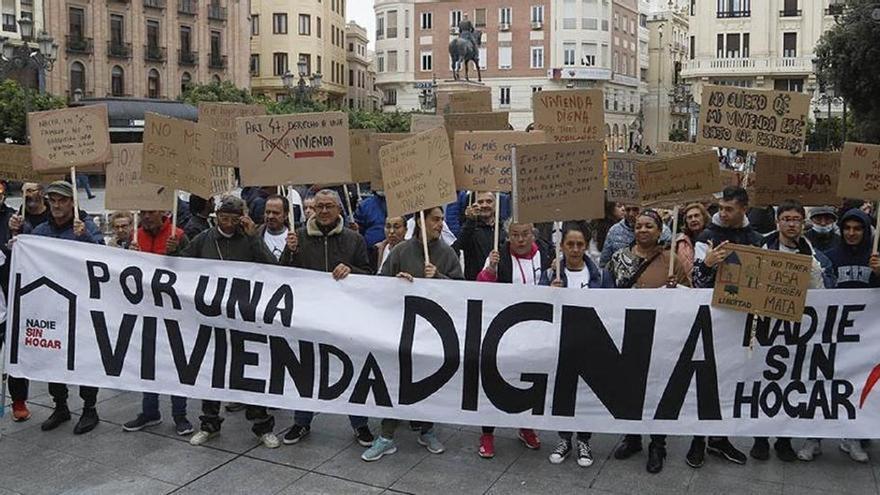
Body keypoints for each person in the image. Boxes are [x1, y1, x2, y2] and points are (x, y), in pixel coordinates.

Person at [177, 195, 281, 449]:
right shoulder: (204, 239)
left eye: (234, 219)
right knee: (212, 372)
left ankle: (262, 426)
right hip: (212, 318)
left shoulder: (249, 239)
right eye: (224, 218)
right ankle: (209, 424)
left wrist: (254, 237)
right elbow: (182, 265)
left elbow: (273, 267)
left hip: (244, 318)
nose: (228, 224)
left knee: (251, 372)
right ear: (216, 217)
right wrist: (172, 250)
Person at [362, 206, 463, 462]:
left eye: (441, 219)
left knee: (429, 383)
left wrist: (438, 276)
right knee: (399, 382)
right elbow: (381, 284)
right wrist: (397, 281)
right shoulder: (400, 251)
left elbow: (462, 290)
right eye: (436, 219)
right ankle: (386, 436)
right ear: (421, 221)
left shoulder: (447, 253)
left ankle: (427, 430)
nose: (441, 224)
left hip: (433, 332)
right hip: (403, 331)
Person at [279, 189, 374, 447]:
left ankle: (360, 424)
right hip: (309, 316)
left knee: (352, 369)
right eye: (319, 206)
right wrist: (289, 252)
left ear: (339, 209)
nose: (323, 211)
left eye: (328, 206)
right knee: (306, 370)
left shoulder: (354, 239)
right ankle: (301, 421)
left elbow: (368, 274)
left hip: (345, 318)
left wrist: (351, 270)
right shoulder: (296, 237)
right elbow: (283, 275)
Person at [752, 200, 834, 462]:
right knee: (762, 384)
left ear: (802, 223)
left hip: (796, 330)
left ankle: (784, 439)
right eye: (785, 218)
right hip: (765, 327)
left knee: (789, 385)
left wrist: (810, 268)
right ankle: (761, 439)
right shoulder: (760, 248)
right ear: (778, 222)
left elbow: (820, 294)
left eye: (795, 219)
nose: (790, 223)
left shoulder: (813, 257)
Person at [609, 210, 688, 473]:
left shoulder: (670, 260)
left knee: (657, 390)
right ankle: (633, 438)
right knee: (629, 388)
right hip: (628, 332)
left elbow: (690, 296)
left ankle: (658, 444)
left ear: (659, 230)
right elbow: (605, 292)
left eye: (649, 226)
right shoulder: (620, 258)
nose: (643, 230)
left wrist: (676, 288)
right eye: (639, 226)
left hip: (661, 336)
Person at [689, 186, 762, 468]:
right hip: (709, 319)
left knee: (730, 381)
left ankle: (720, 440)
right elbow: (697, 280)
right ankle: (697, 440)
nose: (722, 212)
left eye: (729, 208)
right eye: (720, 207)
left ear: (744, 208)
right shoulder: (707, 238)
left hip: (739, 322)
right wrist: (707, 264)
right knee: (703, 381)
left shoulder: (756, 240)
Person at [801, 208, 880, 463]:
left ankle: (852, 437)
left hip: (865, 338)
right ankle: (813, 438)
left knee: (857, 388)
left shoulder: (875, 257)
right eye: (847, 228)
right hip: (832, 333)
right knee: (822, 385)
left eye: (857, 228)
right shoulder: (830, 257)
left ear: (866, 231)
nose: (852, 233)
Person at [29, 181, 104, 434]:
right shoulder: (40, 231)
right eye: (53, 200)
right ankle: (60, 405)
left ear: (73, 202)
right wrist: (16, 238)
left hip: (81, 306)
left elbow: (104, 261)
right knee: (54, 357)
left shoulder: (85, 227)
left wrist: (86, 237)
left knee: (84, 359)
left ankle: (89, 408)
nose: (57, 205)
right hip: (52, 306)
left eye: (62, 200)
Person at [473, 220, 552, 458]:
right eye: (515, 235)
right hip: (504, 332)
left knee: (529, 380)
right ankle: (487, 434)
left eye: (525, 234)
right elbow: (481, 286)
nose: (520, 239)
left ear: (533, 235)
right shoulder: (498, 257)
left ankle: (525, 425)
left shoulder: (546, 255)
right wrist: (490, 271)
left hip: (534, 331)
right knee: (494, 381)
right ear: (508, 237)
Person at [542, 224, 614, 468]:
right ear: (561, 246)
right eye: (570, 244)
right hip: (560, 345)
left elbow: (613, 309)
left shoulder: (601, 276)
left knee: (586, 396)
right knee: (563, 393)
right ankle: (564, 439)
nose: (574, 249)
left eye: (579, 244)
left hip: (591, 345)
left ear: (586, 246)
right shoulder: (551, 275)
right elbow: (537, 308)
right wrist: (548, 293)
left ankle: (584, 440)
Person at [122, 210, 194, 436]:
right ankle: (150, 411)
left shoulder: (178, 235)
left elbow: (194, 270)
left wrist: (177, 252)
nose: (146, 217)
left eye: (150, 212)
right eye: (142, 212)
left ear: (163, 212)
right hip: (145, 309)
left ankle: (180, 415)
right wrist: (128, 255)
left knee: (176, 362)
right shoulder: (136, 236)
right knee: (147, 362)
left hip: (174, 312)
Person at [454, 191, 506, 281]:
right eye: (480, 202)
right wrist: (470, 221)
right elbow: (458, 246)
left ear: (496, 204)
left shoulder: (504, 229)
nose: (484, 205)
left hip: (501, 285)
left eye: (489, 201)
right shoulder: (470, 228)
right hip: (475, 285)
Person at [599, 204, 671, 268]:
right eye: (628, 210)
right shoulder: (614, 231)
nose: (631, 214)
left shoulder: (664, 232)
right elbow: (604, 264)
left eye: (635, 209)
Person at [674, 203, 710, 281]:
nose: (693, 219)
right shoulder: (679, 241)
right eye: (689, 217)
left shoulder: (713, 238)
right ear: (686, 221)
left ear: (704, 217)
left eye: (696, 216)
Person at [257, 194, 290, 261]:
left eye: (276, 213)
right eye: (268, 212)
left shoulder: (295, 237)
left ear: (285, 215)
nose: (270, 216)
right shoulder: (256, 234)